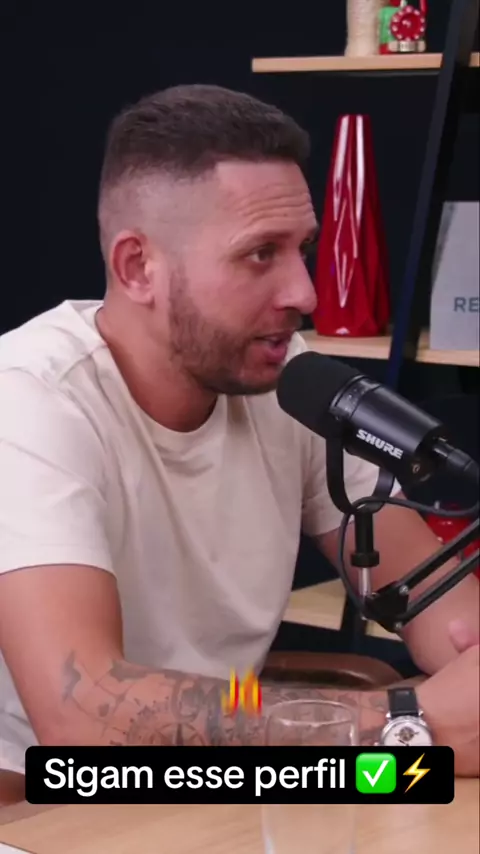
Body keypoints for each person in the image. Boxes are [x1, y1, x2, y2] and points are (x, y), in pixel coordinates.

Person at [0, 84, 478, 778]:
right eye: (260, 254)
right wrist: (406, 723)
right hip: (40, 805)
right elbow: (83, 722)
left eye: (302, 248)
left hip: (238, 787)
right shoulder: (27, 400)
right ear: (138, 267)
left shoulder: (289, 380)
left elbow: (443, 608)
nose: (304, 293)